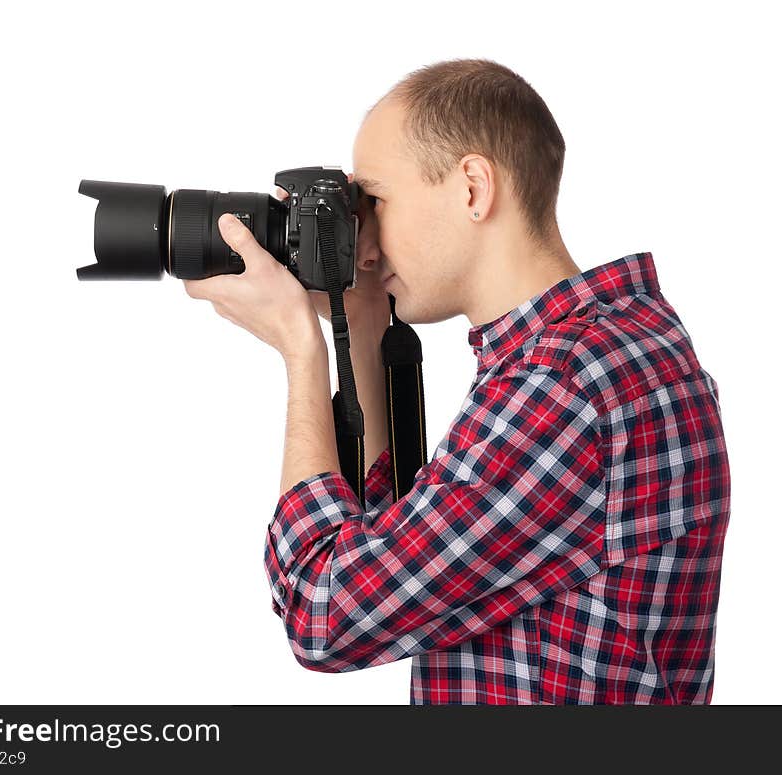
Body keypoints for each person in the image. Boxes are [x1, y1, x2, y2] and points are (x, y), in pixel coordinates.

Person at [183, 58, 731, 704]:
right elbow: (402, 545)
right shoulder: (615, 342)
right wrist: (357, 325)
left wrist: (302, 350)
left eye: (377, 201)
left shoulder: (560, 386)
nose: (367, 240)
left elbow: (325, 613)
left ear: (473, 187)